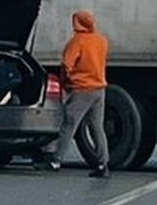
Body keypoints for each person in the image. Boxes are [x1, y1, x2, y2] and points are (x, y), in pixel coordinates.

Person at [38, 10, 111, 178]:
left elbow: (66, 65)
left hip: (82, 89)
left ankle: (55, 161)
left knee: (69, 124)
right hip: (99, 90)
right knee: (97, 128)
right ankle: (103, 165)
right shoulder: (101, 41)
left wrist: (66, 83)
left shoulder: (77, 42)